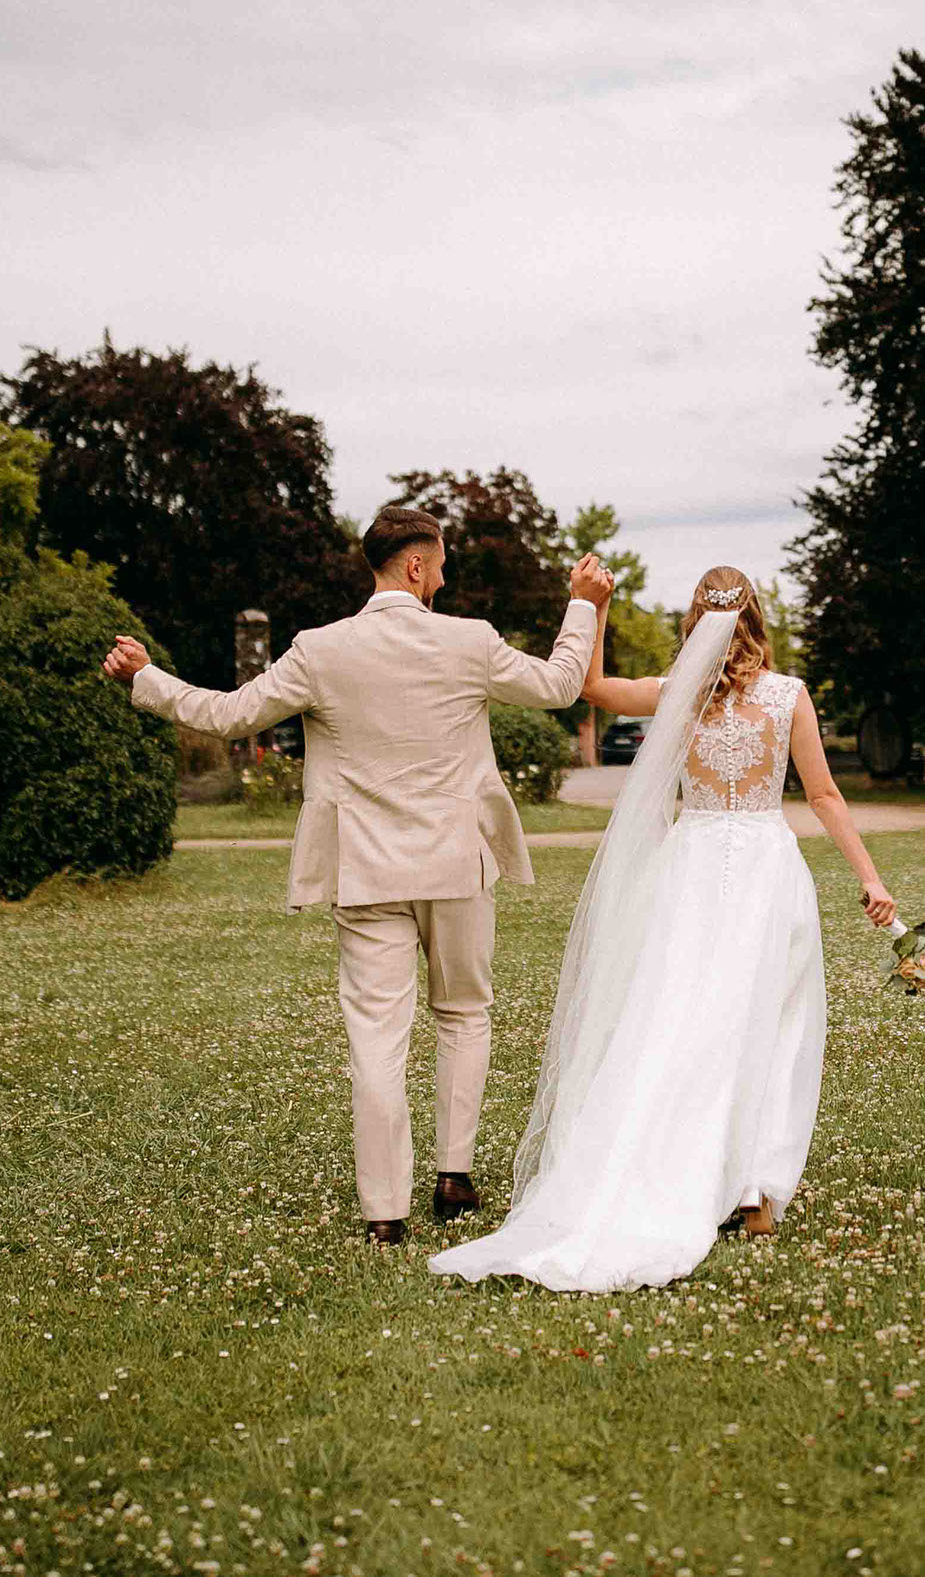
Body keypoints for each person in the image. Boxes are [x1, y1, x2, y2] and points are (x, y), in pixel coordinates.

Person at [102, 506, 615, 1245]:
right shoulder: (468, 641)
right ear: (414, 565)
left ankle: (385, 1215)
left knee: (377, 1038)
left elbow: (228, 714)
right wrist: (582, 604)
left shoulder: (321, 650)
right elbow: (562, 683)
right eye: (439, 562)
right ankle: (454, 1173)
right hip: (455, 865)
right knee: (463, 1012)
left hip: (366, 873)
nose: (444, 574)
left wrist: (148, 677)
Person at [428, 566, 897, 1293]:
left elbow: (591, 687)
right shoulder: (788, 697)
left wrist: (600, 608)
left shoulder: (675, 691)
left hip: (692, 871)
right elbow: (825, 795)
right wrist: (870, 878)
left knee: (674, 1017)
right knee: (767, 1025)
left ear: (693, 621)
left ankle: (674, 1169)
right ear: (758, 620)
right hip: (768, 872)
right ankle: (752, 1193)